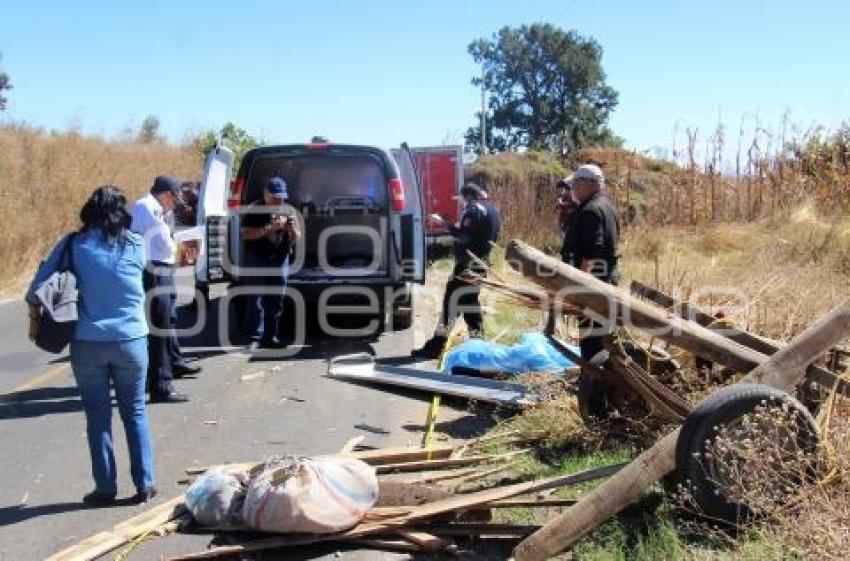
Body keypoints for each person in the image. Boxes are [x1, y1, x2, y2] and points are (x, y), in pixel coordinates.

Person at [26, 186, 157, 506]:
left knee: (98, 417)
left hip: (87, 343)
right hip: (132, 342)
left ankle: (105, 488)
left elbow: (34, 292)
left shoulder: (73, 244)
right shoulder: (136, 244)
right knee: (135, 412)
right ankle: (145, 483)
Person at [131, 176, 200, 404]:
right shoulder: (147, 207)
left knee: (168, 320)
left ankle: (173, 364)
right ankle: (161, 385)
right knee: (159, 328)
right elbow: (164, 242)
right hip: (154, 270)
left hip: (162, 268)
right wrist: (183, 249)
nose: (174, 203)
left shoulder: (157, 209)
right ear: (166, 194)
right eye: (174, 198)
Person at [413, 183, 501, 359]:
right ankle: (479, 344)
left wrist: (445, 224)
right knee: (469, 303)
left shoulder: (474, 208)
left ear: (467, 196)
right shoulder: (493, 210)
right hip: (481, 264)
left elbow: (464, 236)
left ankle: (436, 347)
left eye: (461, 200)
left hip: (467, 265)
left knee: (451, 303)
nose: (461, 204)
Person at [561, 164, 620, 362]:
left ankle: (593, 382)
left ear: (589, 183)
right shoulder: (607, 206)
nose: (573, 188)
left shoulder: (591, 210)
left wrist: (580, 284)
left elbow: (592, 250)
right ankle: (598, 379)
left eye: (577, 183)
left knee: (591, 339)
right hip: (605, 280)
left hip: (594, 284)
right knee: (601, 335)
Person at [240, 177, 301, 352]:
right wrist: (270, 228)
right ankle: (253, 338)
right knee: (255, 300)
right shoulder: (255, 209)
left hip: (280, 259)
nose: (279, 201)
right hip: (258, 258)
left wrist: (291, 229)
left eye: (282, 197)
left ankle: (270, 337)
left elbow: (298, 236)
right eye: (275, 197)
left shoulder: (288, 210)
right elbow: (246, 234)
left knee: (276, 299)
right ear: (266, 194)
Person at [556, 175, 579, 264]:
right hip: (564, 224)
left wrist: (563, 204)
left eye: (563, 188)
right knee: (565, 249)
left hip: (573, 226)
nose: (561, 191)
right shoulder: (564, 195)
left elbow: (576, 206)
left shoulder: (576, 196)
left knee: (570, 251)